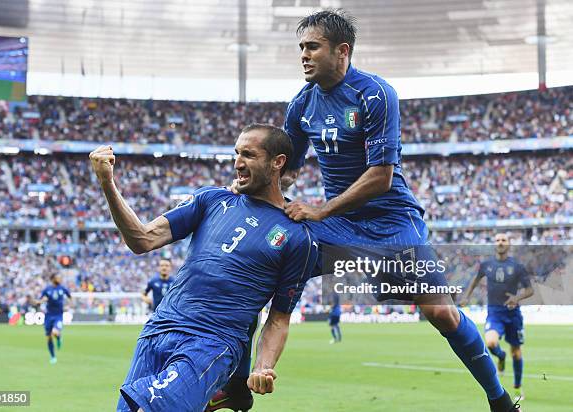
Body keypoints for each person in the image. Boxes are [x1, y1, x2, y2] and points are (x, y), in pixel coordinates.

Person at [214, 9, 519, 412]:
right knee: (256, 273)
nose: (303, 55)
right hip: (337, 226)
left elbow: (381, 177)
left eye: (312, 47)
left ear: (342, 51)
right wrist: (254, 185)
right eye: (301, 47)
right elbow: (286, 173)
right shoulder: (301, 105)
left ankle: (498, 400)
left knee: (442, 313)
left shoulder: (375, 94)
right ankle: (237, 385)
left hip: (392, 225)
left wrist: (321, 210)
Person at [90, 124, 319, 412]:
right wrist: (107, 183)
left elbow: (278, 318)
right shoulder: (212, 199)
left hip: (212, 342)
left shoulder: (298, 236)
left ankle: (231, 389)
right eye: (236, 153)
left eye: (248, 154)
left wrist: (262, 367)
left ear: (278, 162)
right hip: (157, 330)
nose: (237, 162)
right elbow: (142, 239)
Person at [460, 233, 534, 401]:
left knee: (516, 352)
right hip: (494, 312)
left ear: (509, 244)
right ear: (495, 244)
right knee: (491, 343)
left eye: (503, 240)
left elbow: (530, 290)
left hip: (513, 314)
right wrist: (466, 296)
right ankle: (500, 356)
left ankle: (517, 387)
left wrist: (517, 298)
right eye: (498, 240)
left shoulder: (517, 266)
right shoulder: (487, 265)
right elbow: (475, 280)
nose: (500, 243)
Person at [39, 273, 72, 364]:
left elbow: (70, 297)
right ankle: (53, 356)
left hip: (58, 315)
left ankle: (58, 337)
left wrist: (68, 306)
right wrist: (39, 302)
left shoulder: (62, 288)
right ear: (53, 279)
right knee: (48, 337)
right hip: (48, 316)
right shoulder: (47, 289)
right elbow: (43, 299)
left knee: (55, 331)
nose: (60, 279)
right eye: (58, 278)